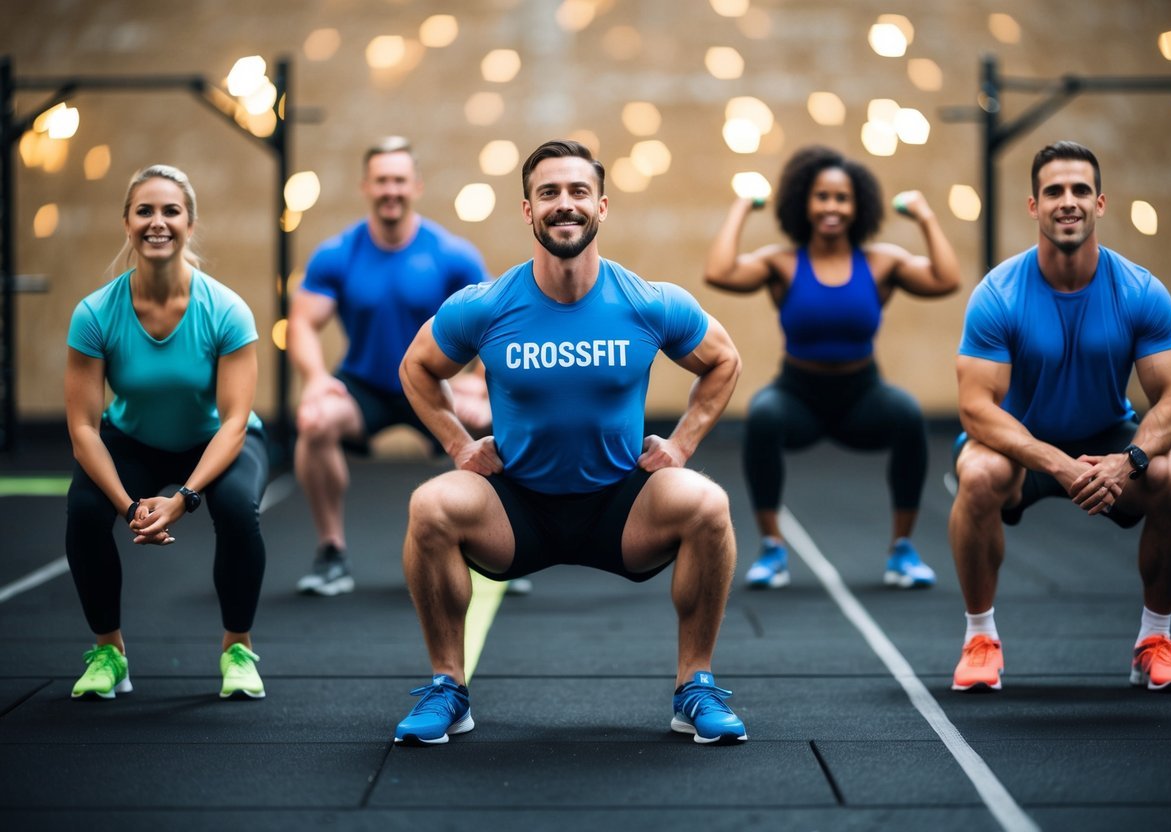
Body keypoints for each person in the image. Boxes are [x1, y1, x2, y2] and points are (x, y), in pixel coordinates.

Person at [394, 139, 748, 746]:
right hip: (517, 507)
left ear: (601, 207)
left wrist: (683, 444)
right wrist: (458, 445)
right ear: (528, 211)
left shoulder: (646, 300)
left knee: (708, 505)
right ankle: (447, 687)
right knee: (430, 506)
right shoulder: (487, 305)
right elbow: (416, 368)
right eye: (549, 193)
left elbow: (723, 360)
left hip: (620, 506)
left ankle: (695, 685)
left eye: (578, 192)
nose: (565, 204)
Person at [949, 141, 1171, 693]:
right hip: (1023, 443)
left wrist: (1129, 459)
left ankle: (1154, 641)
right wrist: (1056, 463)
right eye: (1054, 191)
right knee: (980, 474)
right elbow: (975, 409)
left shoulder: (1140, 291)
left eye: (1080, 190)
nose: (1068, 202)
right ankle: (979, 637)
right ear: (1033, 206)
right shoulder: (998, 293)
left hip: (1109, 439)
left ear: (1100, 203)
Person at [704, 145, 961, 590]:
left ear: (857, 206)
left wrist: (925, 217)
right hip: (797, 395)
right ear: (804, 202)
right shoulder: (781, 261)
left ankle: (902, 549)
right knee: (762, 415)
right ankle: (772, 548)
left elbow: (946, 279)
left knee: (907, 417)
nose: (831, 207)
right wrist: (742, 207)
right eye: (822, 196)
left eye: (841, 198)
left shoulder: (882, 261)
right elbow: (719, 271)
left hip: (863, 395)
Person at [64, 164, 269, 700]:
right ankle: (110, 652)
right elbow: (85, 427)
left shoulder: (226, 310)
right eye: (145, 211)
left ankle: (237, 648)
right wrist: (129, 505)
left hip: (217, 442)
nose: (158, 222)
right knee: (86, 512)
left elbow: (232, 423)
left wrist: (184, 497)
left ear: (190, 224)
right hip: (132, 440)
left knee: (238, 508)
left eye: (171, 211)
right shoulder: (94, 314)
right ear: (127, 224)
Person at [288, 136, 496, 596]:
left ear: (416, 186)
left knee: (491, 424)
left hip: (435, 383)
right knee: (314, 421)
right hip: (366, 386)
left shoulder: (452, 254)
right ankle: (331, 553)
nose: (391, 190)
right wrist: (317, 381)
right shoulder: (337, 254)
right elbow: (302, 322)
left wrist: (480, 383)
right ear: (366, 185)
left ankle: (491, 550)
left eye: (399, 180)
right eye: (382, 180)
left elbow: (498, 325)